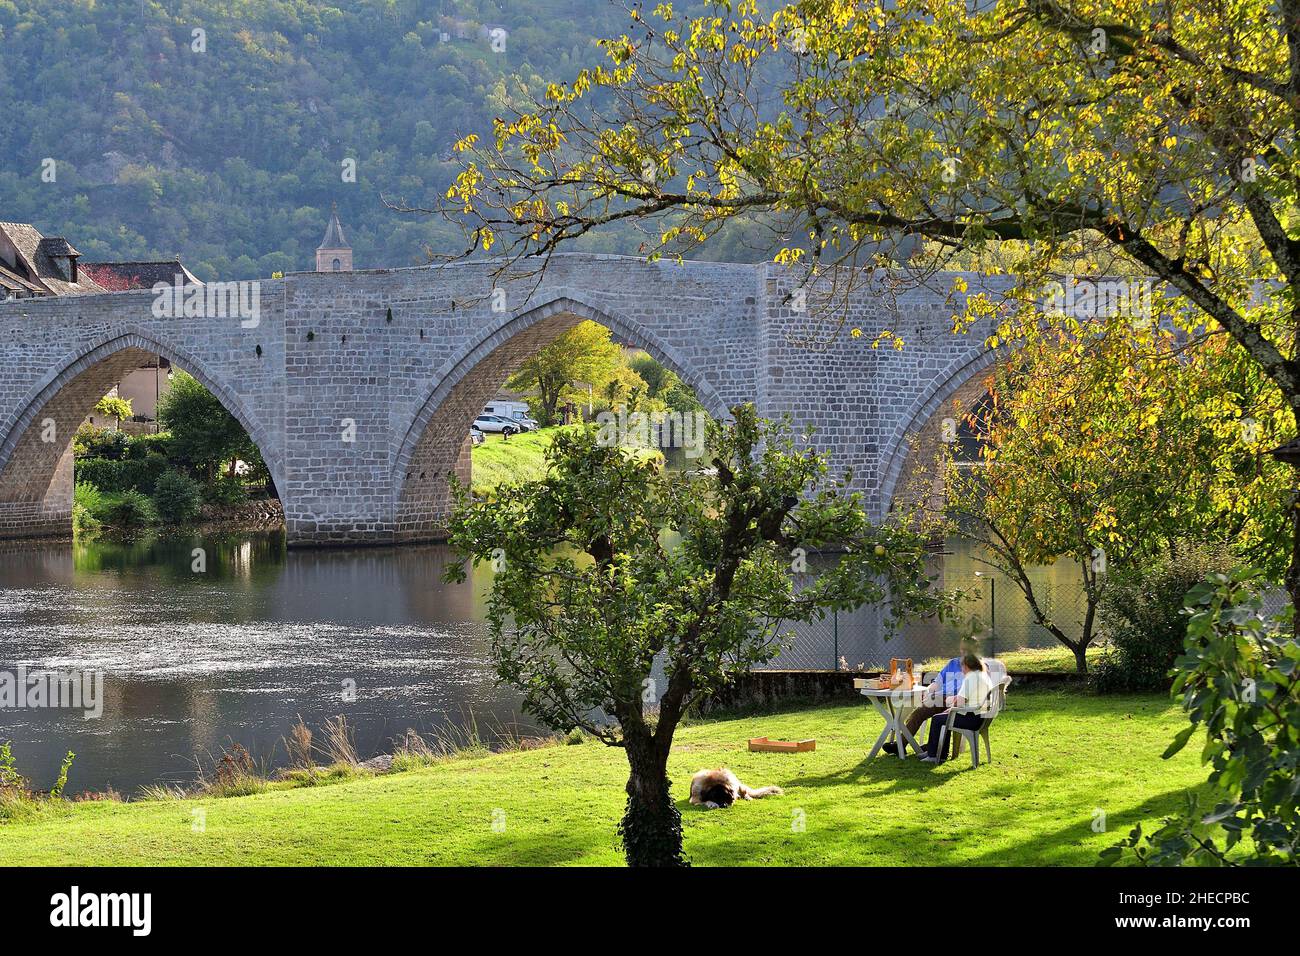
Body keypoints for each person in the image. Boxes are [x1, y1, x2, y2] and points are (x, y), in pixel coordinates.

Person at [882, 636, 979, 757]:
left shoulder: (977, 667)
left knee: (920, 712)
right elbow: (937, 682)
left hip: (955, 700)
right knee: (917, 709)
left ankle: (905, 745)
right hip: (939, 697)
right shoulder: (953, 663)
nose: (964, 652)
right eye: (963, 649)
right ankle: (914, 745)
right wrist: (928, 691)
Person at [920, 653, 995, 763]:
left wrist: (951, 709)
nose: (961, 670)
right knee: (943, 717)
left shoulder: (971, 678)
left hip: (972, 718)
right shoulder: (982, 675)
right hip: (982, 717)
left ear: (967, 666)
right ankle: (937, 752)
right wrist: (952, 706)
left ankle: (934, 755)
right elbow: (967, 697)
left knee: (937, 719)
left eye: (962, 667)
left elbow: (960, 702)